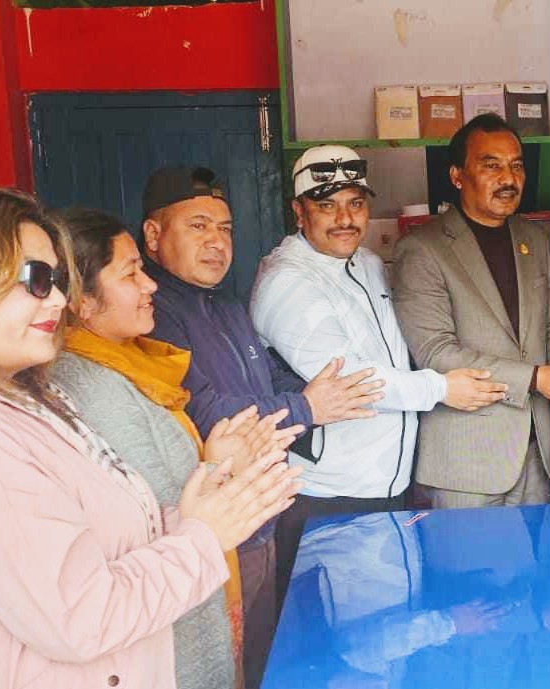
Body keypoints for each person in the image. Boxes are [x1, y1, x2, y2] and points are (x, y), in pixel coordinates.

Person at [0, 187, 300, 688]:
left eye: (56, 280)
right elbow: (84, 618)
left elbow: (110, 542)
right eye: (36, 278)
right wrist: (205, 535)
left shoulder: (25, 402)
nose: (57, 299)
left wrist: (211, 496)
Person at [141, 164, 380, 687]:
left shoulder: (224, 304)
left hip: (260, 515)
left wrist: (308, 392)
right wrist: (307, 408)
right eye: (198, 226)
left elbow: (267, 376)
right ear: (154, 235)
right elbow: (206, 413)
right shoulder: (153, 312)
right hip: (212, 529)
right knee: (227, 666)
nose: (216, 241)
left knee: (264, 657)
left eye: (225, 228)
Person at [50, 207, 304, 689]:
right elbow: (156, 518)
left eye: (225, 228)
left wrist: (218, 461)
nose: (149, 285)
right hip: (172, 615)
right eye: (131, 274)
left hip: (207, 571)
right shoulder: (95, 388)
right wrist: (219, 467)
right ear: (81, 300)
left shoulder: (136, 363)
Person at [251, 144, 507, 597]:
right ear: (298, 211)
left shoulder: (367, 263)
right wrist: (441, 387)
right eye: (326, 206)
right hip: (328, 495)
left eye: (355, 203)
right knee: (347, 628)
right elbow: (352, 381)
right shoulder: (287, 282)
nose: (344, 219)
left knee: (389, 608)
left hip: (386, 485)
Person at [392, 114, 550, 509]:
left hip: (536, 453)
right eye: (491, 165)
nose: (508, 178)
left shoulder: (534, 239)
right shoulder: (422, 248)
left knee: (537, 552)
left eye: (516, 166)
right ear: (457, 176)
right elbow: (435, 352)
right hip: (466, 461)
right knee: (470, 553)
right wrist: (536, 378)